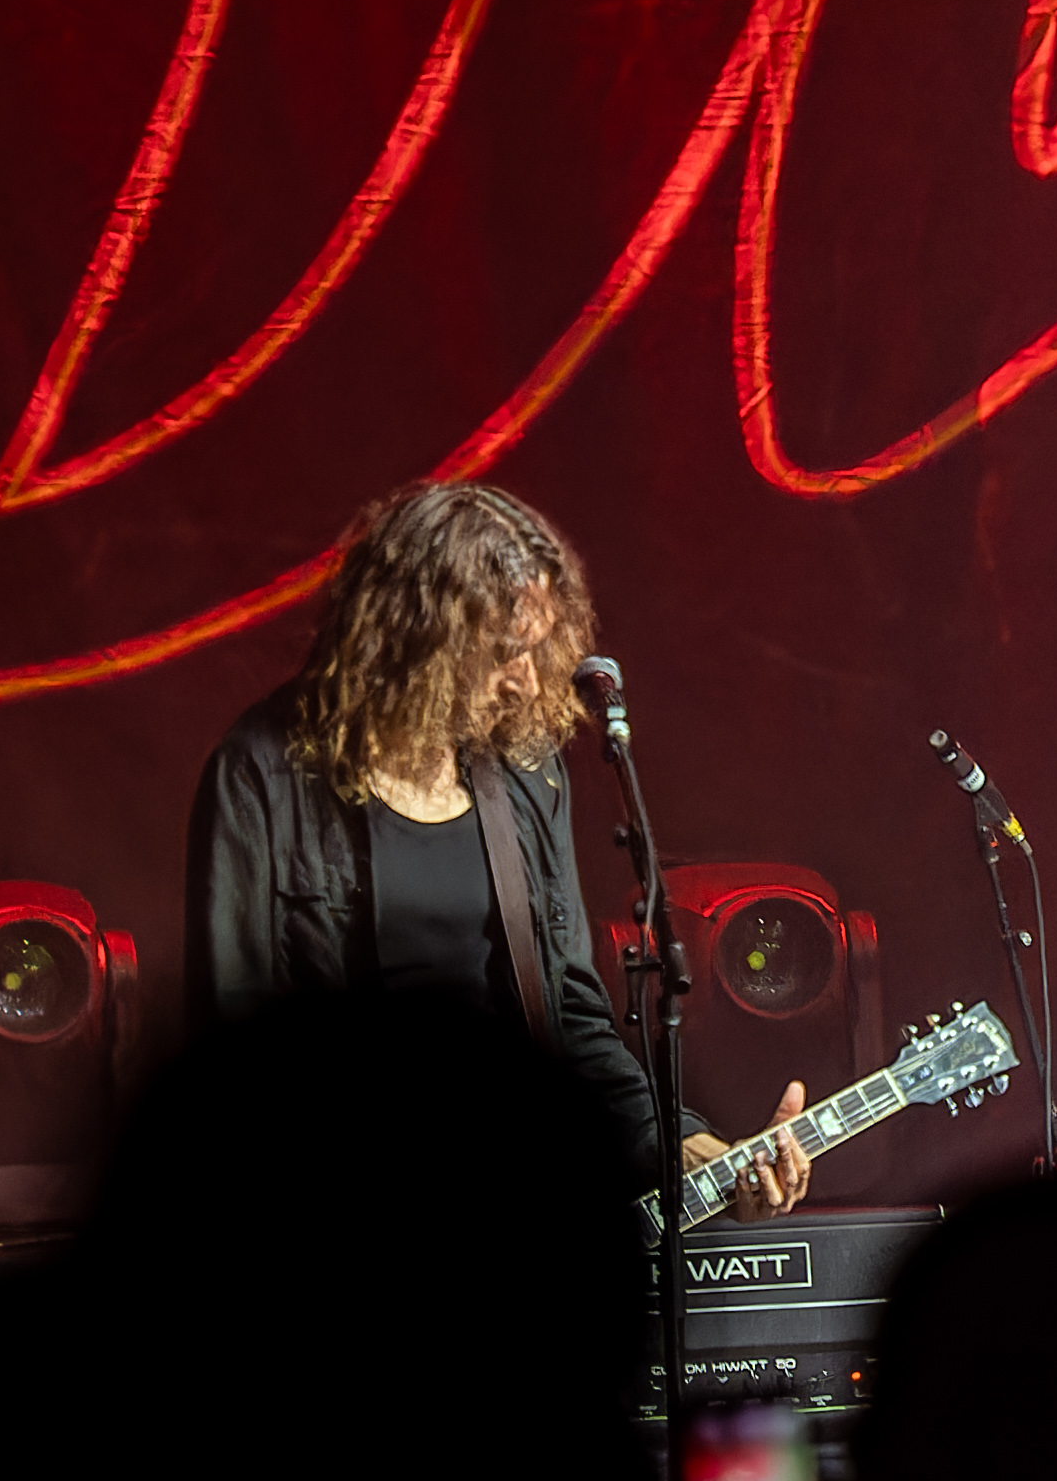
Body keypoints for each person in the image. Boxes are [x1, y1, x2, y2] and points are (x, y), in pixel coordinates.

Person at [185, 480, 811, 1213]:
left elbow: (573, 1019)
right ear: (420, 637)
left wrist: (680, 1145)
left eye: (537, 650)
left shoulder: (526, 771)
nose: (527, 681)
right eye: (505, 652)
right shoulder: (262, 775)